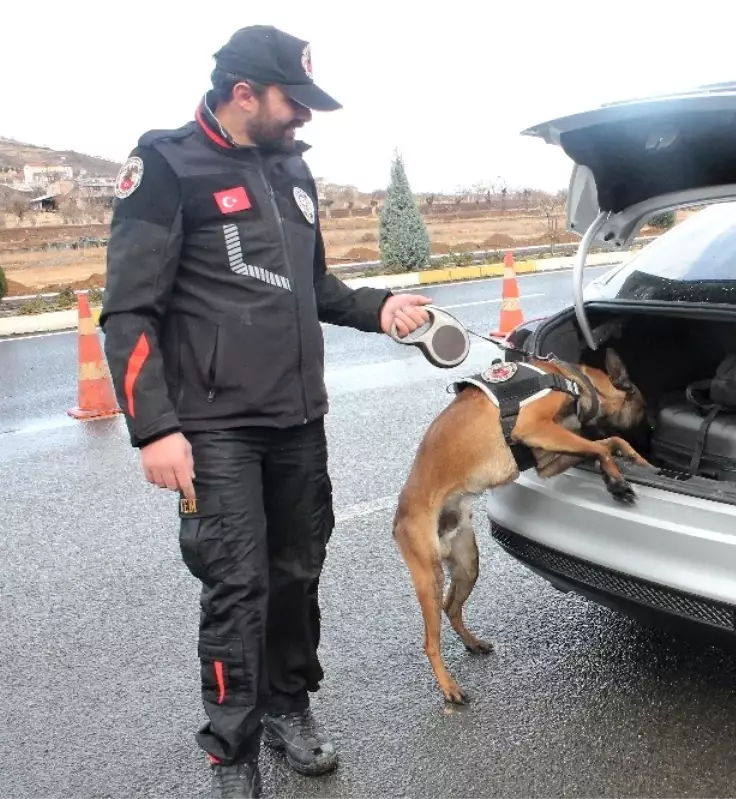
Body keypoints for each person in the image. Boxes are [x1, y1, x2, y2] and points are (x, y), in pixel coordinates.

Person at [99, 25, 432, 799]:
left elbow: (313, 289)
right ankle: (233, 749)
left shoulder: (293, 174)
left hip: (296, 420)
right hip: (214, 428)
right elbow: (129, 313)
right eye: (295, 100)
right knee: (237, 585)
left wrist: (380, 307)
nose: (305, 117)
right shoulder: (167, 165)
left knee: (298, 571)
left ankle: (289, 706)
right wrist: (154, 427)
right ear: (243, 90)